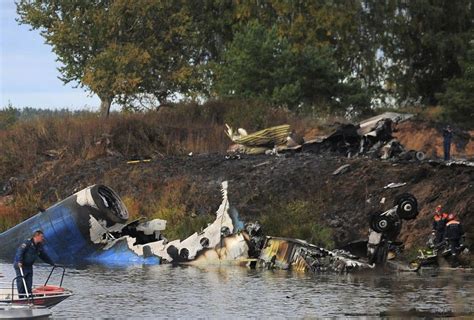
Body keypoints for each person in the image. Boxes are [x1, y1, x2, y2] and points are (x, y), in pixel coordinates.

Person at [13, 230, 54, 298]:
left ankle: (28, 296)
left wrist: (51, 263)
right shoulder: (27, 243)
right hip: (21, 265)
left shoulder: (39, 246)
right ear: (36, 236)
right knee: (21, 281)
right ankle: (21, 297)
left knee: (29, 282)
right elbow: (20, 252)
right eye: (41, 236)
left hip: (29, 266)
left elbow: (43, 255)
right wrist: (19, 261)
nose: (42, 238)